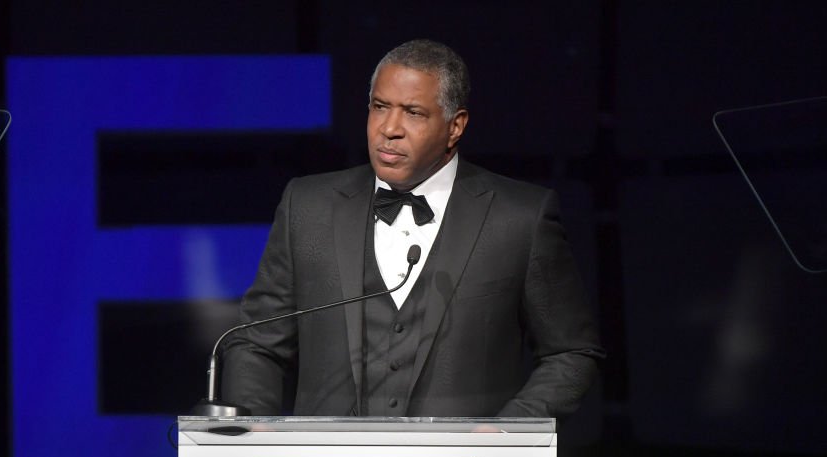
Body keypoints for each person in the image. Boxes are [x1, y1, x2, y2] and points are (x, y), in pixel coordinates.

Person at [223, 38, 604, 421]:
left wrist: (506, 434)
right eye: (380, 107)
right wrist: (253, 430)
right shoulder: (308, 205)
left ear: (455, 127)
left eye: (414, 113)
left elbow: (571, 353)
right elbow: (257, 343)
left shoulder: (520, 217)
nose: (390, 128)